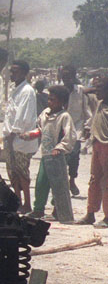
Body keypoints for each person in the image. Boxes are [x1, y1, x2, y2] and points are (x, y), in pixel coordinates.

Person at [25, 85, 75, 222]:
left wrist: (60, 148)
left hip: (58, 157)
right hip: (46, 155)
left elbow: (69, 136)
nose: (49, 102)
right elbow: (40, 130)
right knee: (41, 182)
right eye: (49, 99)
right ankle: (38, 209)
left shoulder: (64, 116)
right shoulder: (45, 113)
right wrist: (29, 135)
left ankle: (57, 210)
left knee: (58, 184)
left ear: (62, 102)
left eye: (53, 100)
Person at [0, 59, 38, 213]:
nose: (12, 74)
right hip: (10, 139)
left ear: (24, 72)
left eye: (15, 71)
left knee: (22, 173)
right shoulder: (15, 89)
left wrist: (13, 132)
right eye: (11, 71)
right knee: (12, 172)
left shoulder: (27, 91)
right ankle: (18, 201)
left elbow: (24, 117)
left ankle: (27, 204)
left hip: (20, 140)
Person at [76, 76, 108, 227]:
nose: (96, 91)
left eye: (100, 88)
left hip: (106, 146)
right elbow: (83, 91)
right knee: (94, 179)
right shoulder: (100, 103)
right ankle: (90, 213)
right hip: (97, 144)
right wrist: (97, 88)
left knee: (106, 181)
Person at [59, 65, 92, 197]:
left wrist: (87, 127)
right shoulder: (58, 90)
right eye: (64, 76)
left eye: (68, 76)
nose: (66, 79)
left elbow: (86, 111)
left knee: (74, 155)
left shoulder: (80, 92)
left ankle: (72, 180)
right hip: (59, 128)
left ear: (73, 77)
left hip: (75, 128)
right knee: (60, 157)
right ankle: (61, 182)